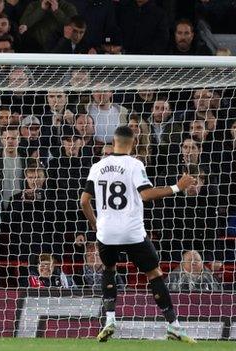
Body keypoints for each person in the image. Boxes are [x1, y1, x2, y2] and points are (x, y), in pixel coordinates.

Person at [80, 125, 197, 343]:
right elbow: (146, 195)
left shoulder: (97, 166)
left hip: (106, 233)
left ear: (114, 142)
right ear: (133, 143)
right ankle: (174, 325)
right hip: (132, 232)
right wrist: (177, 187)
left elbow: (84, 201)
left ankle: (110, 320)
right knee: (154, 273)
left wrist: (97, 226)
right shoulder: (135, 164)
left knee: (109, 269)